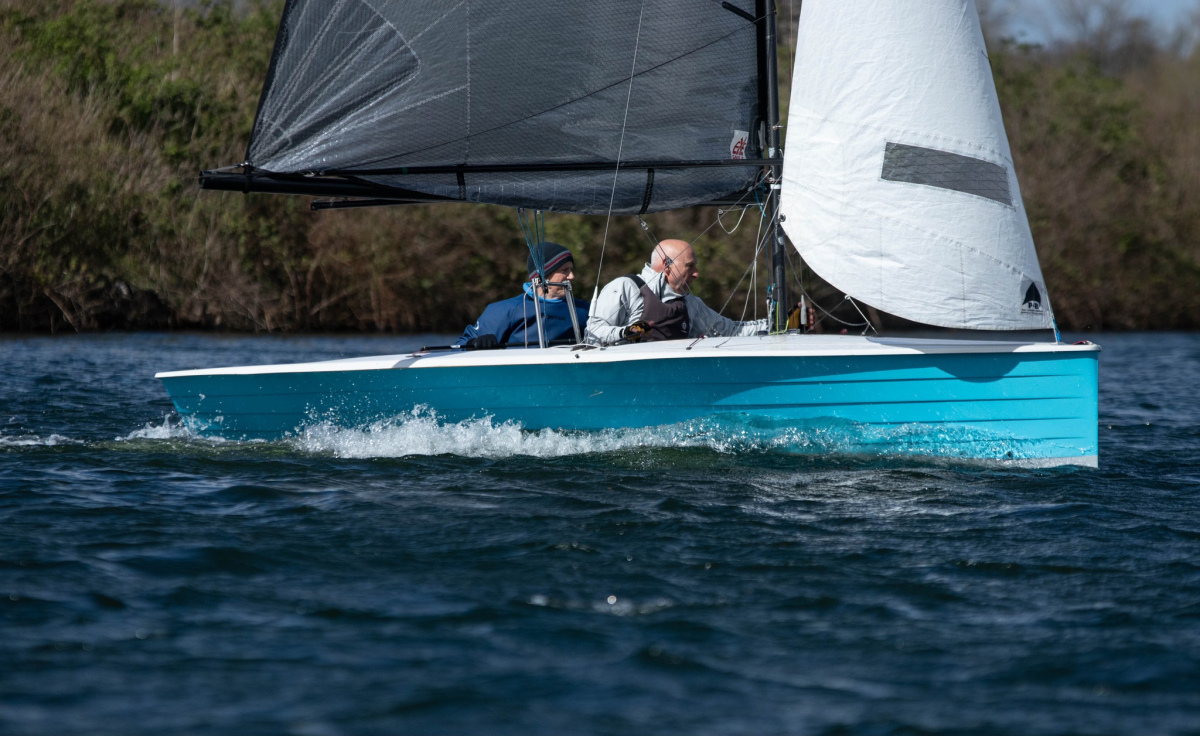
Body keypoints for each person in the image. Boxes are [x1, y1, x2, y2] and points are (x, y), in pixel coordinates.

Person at [586, 238, 794, 345]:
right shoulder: (625, 287)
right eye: (689, 266)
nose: (696, 274)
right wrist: (626, 332)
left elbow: (733, 331)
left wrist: (782, 322)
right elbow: (593, 333)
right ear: (667, 266)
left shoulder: (690, 304)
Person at [455, 242, 590, 349]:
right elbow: (459, 345)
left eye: (571, 269)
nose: (571, 276)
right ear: (543, 275)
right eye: (564, 270)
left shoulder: (585, 310)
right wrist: (474, 343)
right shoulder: (505, 310)